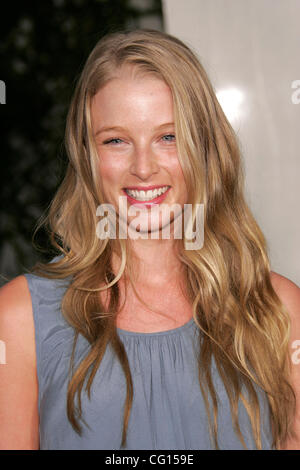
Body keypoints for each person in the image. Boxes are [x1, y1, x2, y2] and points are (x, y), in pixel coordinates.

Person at [0, 29, 299, 451]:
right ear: (87, 154)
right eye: (116, 140)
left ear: (206, 149)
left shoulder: (278, 310)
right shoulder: (19, 319)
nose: (143, 167)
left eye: (168, 137)